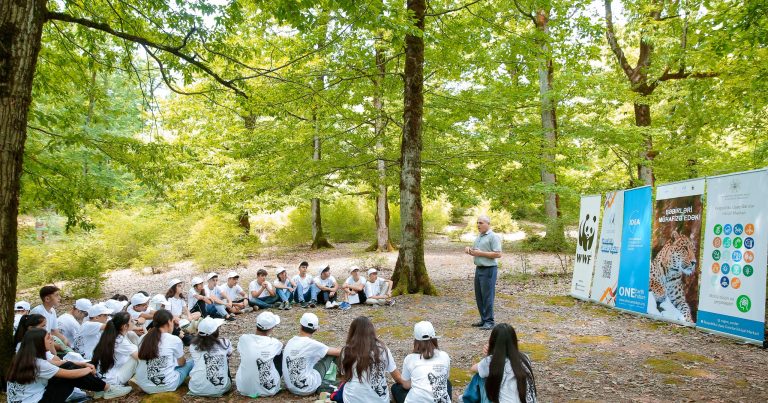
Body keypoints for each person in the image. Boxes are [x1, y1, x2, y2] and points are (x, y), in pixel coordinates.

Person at [6, 328, 132, 402]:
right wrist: (88, 369)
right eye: (48, 339)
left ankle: (101, 389)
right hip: (37, 401)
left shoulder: (24, 358)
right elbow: (69, 374)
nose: (51, 341)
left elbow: (57, 362)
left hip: (23, 399)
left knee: (68, 365)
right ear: (38, 343)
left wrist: (80, 364)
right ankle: (107, 388)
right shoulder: (38, 363)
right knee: (68, 375)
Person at [338, 316, 404, 402]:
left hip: (352, 399)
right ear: (372, 331)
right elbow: (397, 377)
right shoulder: (382, 349)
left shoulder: (346, 350)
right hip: (379, 400)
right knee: (396, 388)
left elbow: (344, 377)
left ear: (352, 332)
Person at [466, 323, 537, 403]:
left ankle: (466, 400)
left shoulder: (491, 361)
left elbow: (473, 369)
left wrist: (489, 355)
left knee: (479, 377)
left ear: (493, 341)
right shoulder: (525, 357)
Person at [392, 321, 452, 403]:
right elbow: (446, 377)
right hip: (438, 399)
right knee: (447, 383)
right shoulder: (444, 356)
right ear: (434, 338)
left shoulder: (409, 359)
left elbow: (406, 386)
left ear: (416, 341)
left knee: (396, 387)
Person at [135, 310, 193, 394]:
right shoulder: (174, 339)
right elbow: (181, 363)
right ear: (169, 322)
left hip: (144, 386)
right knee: (191, 362)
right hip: (168, 385)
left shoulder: (143, 337)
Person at [282, 313, 341, 396]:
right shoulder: (312, 344)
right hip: (308, 387)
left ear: (300, 325)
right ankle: (348, 375)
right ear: (316, 329)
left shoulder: (291, 341)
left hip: (291, 387)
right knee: (331, 353)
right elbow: (338, 352)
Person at [465, 215, 502, 330]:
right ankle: (483, 319)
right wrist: (469, 251)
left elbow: (498, 254)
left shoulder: (493, 236)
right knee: (479, 295)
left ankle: (490, 321)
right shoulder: (479, 237)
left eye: (480, 223)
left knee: (487, 295)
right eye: (477, 223)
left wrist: (480, 253)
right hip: (479, 268)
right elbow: (477, 252)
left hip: (489, 269)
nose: (478, 225)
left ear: (488, 224)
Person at [236, 311, 284, 398]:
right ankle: (272, 379)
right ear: (271, 328)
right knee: (279, 355)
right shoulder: (275, 343)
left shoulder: (244, 339)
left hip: (243, 388)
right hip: (269, 390)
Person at [90, 312, 139, 390]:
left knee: (133, 341)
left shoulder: (111, 335)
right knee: (136, 359)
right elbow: (140, 357)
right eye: (132, 321)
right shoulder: (119, 341)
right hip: (114, 380)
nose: (134, 322)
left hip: (105, 376)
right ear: (125, 326)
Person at [188, 317, 232, 397]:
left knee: (193, 361)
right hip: (222, 388)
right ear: (216, 332)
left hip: (196, 388)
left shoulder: (193, 346)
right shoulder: (225, 343)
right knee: (225, 358)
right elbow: (229, 354)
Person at [30, 285, 70, 351]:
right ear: (47, 299)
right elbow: (39, 337)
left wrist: (65, 340)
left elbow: (54, 331)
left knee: (71, 351)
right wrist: (61, 347)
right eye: (56, 295)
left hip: (48, 341)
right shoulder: (38, 311)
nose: (59, 297)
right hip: (39, 346)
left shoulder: (52, 310)